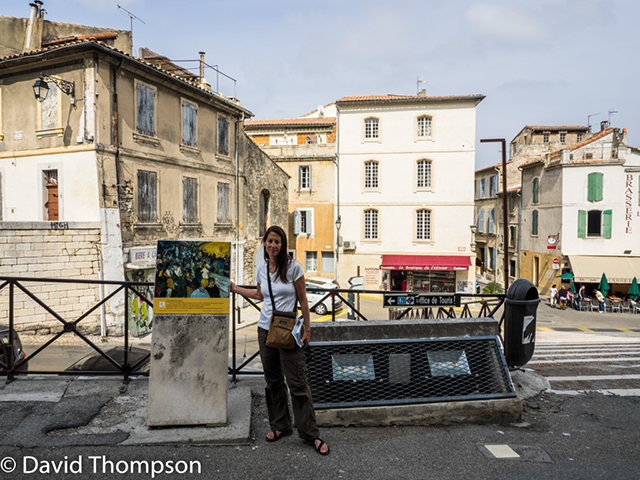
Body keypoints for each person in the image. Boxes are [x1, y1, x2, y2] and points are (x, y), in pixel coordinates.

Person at [230, 226, 330, 456]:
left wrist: (308, 329)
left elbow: (304, 300)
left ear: (282, 244)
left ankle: (310, 433)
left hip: (289, 331)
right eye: (269, 241)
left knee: (297, 383)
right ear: (264, 244)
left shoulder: (294, 267)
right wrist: (235, 289)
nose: (273, 245)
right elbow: (259, 295)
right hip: (266, 330)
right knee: (273, 381)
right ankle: (280, 425)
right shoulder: (262, 269)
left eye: (277, 241)